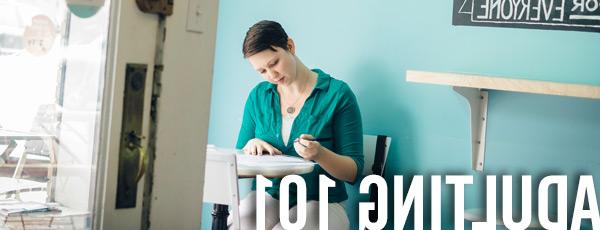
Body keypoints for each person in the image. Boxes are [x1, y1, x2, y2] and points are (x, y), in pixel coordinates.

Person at [234, 20, 363, 230]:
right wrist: (252, 145)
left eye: (274, 63)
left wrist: (320, 154)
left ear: (290, 47)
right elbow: (238, 161)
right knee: (241, 221)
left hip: (322, 202)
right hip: (271, 197)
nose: (272, 75)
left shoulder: (338, 94)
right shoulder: (258, 96)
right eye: (262, 71)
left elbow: (353, 172)